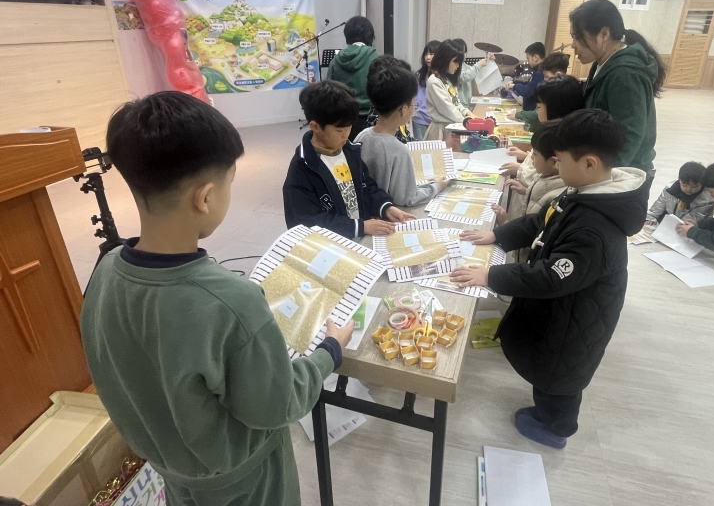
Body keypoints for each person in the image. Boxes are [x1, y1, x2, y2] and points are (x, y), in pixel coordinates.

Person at [81, 91, 356, 506]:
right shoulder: (233, 302)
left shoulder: (102, 275)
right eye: (230, 183)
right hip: (248, 483)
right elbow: (278, 405)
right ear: (205, 196)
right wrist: (329, 351)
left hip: (172, 474)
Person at [450, 110, 650, 449]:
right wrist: (499, 236)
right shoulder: (583, 191)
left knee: (560, 380)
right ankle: (548, 413)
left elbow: (550, 277)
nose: (555, 165)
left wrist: (490, 275)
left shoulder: (594, 229)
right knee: (549, 373)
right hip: (563, 310)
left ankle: (557, 429)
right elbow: (541, 221)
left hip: (575, 322)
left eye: (560, 160)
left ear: (588, 163)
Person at [284, 80, 414, 238]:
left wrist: (385, 207)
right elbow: (306, 223)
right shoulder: (302, 169)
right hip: (333, 247)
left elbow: (366, 187)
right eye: (339, 130)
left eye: (349, 127)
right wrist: (359, 227)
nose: (346, 135)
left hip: (359, 240)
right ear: (315, 127)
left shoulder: (350, 151)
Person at [569, 0, 667, 172]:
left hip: (626, 173)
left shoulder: (625, 74)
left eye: (577, 37)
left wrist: (605, 177)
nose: (573, 45)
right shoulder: (603, 62)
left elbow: (630, 134)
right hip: (602, 164)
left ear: (604, 35)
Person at [355, 56, 450, 206]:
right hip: (392, 213)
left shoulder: (362, 136)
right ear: (404, 109)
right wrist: (437, 186)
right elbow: (407, 198)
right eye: (413, 104)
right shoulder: (399, 150)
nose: (414, 108)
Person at [501, 75, 584, 186]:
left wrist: (520, 170)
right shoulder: (560, 131)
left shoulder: (559, 140)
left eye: (538, 107)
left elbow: (546, 181)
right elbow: (545, 163)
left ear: (554, 108)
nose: (537, 112)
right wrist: (527, 156)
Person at [492, 121, 566, 227]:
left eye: (535, 154)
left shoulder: (555, 198)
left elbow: (533, 230)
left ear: (554, 162)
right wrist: (527, 192)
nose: (531, 157)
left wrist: (505, 222)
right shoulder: (547, 176)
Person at [326, 16, 379, 140]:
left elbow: (328, 94)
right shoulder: (376, 58)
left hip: (344, 120)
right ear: (370, 35)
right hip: (372, 119)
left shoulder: (335, 61)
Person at [423, 39, 474, 140]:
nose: (457, 66)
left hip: (452, 126)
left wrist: (469, 114)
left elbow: (456, 103)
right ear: (445, 60)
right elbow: (448, 109)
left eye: (459, 63)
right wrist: (466, 122)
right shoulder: (434, 81)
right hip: (440, 130)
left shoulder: (448, 79)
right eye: (455, 62)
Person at [514, 52, 571, 130]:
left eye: (547, 76)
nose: (544, 80)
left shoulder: (560, 94)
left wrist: (518, 115)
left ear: (558, 75)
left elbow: (538, 116)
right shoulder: (555, 90)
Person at [646, 161, 714, 226]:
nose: (688, 189)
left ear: (702, 184)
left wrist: (675, 226)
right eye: (684, 185)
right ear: (679, 180)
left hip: (692, 226)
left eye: (694, 186)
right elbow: (659, 205)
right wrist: (651, 217)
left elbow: (692, 219)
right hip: (670, 219)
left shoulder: (707, 200)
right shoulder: (669, 189)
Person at [505, 42, 546, 113]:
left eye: (528, 58)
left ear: (535, 57)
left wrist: (515, 86)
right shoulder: (537, 72)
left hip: (532, 112)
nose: (528, 61)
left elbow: (528, 91)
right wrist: (514, 82)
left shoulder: (540, 74)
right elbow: (528, 84)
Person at [412, 40, 441, 140]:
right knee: (421, 147)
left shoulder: (443, 76)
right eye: (426, 54)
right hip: (420, 118)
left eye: (431, 54)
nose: (428, 57)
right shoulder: (419, 75)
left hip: (436, 119)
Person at [453, 38, 490, 110]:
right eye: (461, 52)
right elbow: (464, 76)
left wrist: (488, 61)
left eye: (465, 52)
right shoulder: (454, 67)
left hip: (467, 105)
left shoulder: (465, 66)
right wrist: (479, 64)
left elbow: (475, 72)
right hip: (458, 106)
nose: (464, 55)